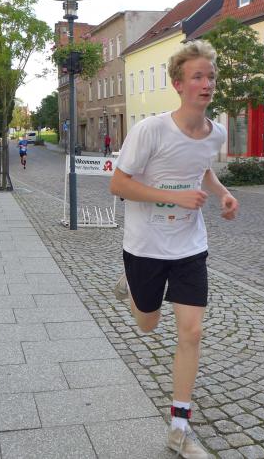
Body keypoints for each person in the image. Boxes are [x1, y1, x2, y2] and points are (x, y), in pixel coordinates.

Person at [109, 40, 239, 459]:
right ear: (179, 84)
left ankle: (179, 428)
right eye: (198, 76)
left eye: (211, 77)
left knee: (192, 331)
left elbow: (202, 169)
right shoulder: (151, 130)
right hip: (146, 246)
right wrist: (173, 197)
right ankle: (131, 287)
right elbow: (118, 184)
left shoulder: (216, 133)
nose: (207, 83)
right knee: (147, 324)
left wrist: (222, 193)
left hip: (189, 246)